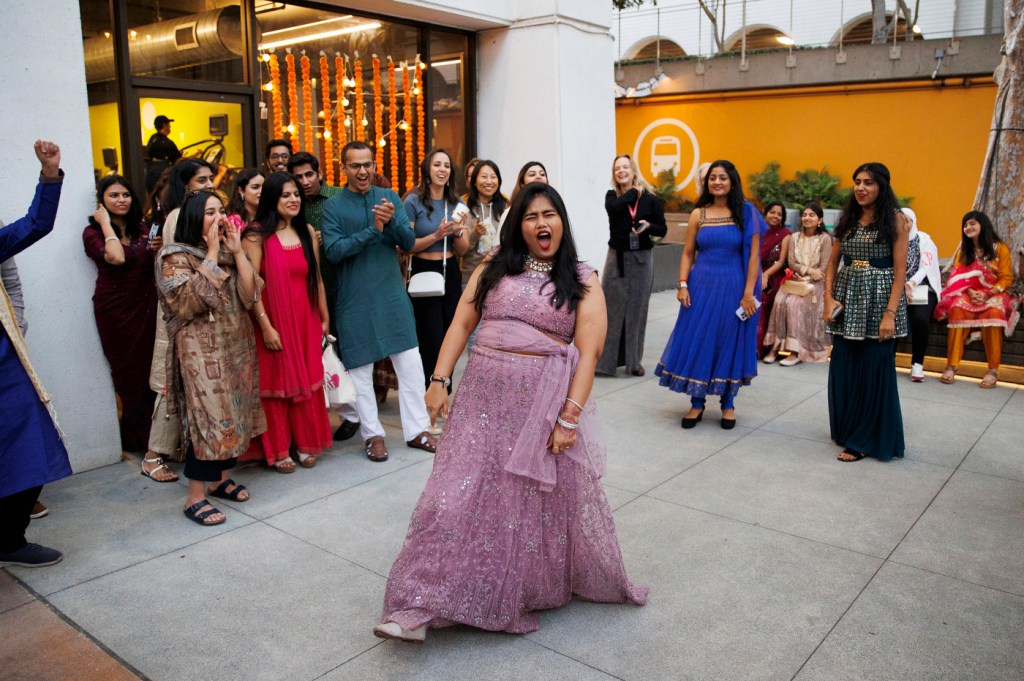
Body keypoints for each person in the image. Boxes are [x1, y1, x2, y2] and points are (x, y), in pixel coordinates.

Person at [375, 182, 648, 643]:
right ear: (517, 225)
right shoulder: (494, 266)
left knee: (518, 507)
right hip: (480, 401)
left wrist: (569, 418)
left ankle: (503, 589)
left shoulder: (582, 278)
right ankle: (417, 602)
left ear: (562, 221)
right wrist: (439, 381)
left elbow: (589, 350)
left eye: (550, 215)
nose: (542, 224)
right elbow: (463, 321)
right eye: (531, 216)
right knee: (450, 498)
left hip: (538, 408)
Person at [321, 141, 437, 462]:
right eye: (355, 165)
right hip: (355, 300)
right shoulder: (333, 207)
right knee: (360, 373)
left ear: (375, 165)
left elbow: (409, 242)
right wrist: (375, 229)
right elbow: (334, 251)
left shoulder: (389, 198)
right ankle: (373, 436)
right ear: (343, 168)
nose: (363, 171)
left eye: (368, 164)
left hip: (391, 296)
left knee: (412, 366)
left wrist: (393, 223)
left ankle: (417, 431)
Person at [156, 190, 264, 525]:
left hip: (235, 347)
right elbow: (189, 303)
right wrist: (213, 254)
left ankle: (219, 480)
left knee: (234, 413)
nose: (218, 218)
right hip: (200, 355)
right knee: (208, 421)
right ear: (192, 219)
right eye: (208, 212)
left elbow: (252, 294)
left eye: (220, 210)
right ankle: (195, 497)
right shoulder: (173, 257)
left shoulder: (231, 253)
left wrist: (237, 252)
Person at [0, 140, 71, 567]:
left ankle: (9, 538)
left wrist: (49, 174)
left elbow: (36, 224)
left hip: (6, 367)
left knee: (31, 448)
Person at [655, 160, 765, 430]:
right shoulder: (698, 215)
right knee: (700, 338)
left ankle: (728, 403)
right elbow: (688, 253)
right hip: (701, 286)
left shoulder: (746, 213)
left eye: (723, 178)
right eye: (713, 178)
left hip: (734, 287)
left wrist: (749, 293)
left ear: (733, 181)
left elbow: (753, 257)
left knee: (729, 339)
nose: (717, 182)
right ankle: (696, 402)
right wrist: (682, 284)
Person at [241, 173, 332, 472]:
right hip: (273, 320)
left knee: (306, 378)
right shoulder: (255, 235)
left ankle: (305, 443)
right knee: (277, 382)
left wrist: (323, 317)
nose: (293, 200)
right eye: (285, 195)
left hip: (306, 317)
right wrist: (265, 326)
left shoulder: (306, 230)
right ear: (271, 199)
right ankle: (279, 450)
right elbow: (251, 286)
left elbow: (316, 277)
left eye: (296, 194)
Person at [823, 162, 909, 462]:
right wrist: (827, 298)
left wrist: (890, 314)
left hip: (881, 300)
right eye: (857, 182)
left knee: (874, 368)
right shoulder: (848, 218)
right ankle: (847, 429)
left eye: (868, 182)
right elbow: (833, 262)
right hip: (848, 298)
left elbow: (900, 273)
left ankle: (864, 438)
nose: (861, 188)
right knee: (844, 364)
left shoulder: (896, 220)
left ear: (882, 186)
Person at [82, 176, 161, 463]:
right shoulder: (92, 233)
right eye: (113, 195)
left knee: (153, 371)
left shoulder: (142, 228)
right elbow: (115, 257)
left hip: (147, 306)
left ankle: (156, 439)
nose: (121, 200)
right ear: (101, 202)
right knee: (129, 373)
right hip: (115, 310)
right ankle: (138, 439)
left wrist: (156, 249)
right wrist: (104, 223)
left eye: (126, 194)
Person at [145, 159, 216, 468]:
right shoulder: (178, 216)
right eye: (202, 180)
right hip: (183, 310)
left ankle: (177, 450)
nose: (210, 184)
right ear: (185, 185)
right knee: (171, 383)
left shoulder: (196, 213)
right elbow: (178, 270)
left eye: (211, 178)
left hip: (198, 308)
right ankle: (153, 456)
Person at [287, 151, 361, 441]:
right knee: (317, 353)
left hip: (341, 283)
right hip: (306, 289)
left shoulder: (337, 198)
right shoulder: (290, 203)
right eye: (298, 177)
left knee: (343, 351)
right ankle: (322, 413)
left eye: (308, 174)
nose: (304, 182)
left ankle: (351, 414)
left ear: (319, 173)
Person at [403, 148, 470, 388]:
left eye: (446, 166)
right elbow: (407, 245)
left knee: (449, 334)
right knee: (428, 335)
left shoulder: (457, 203)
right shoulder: (413, 201)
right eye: (437, 165)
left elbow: (462, 249)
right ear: (427, 170)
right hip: (422, 269)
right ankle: (426, 391)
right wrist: (436, 235)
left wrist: (459, 231)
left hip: (449, 269)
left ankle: (444, 390)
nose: (442, 170)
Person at [597, 154, 666, 377]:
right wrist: (633, 192)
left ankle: (634, 363)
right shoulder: (612, 196)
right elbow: (616, 208)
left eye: (625, 167)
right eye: (617, 168)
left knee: (638, 310)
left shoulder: (650, 199)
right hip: (616, 258)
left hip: (642, 258)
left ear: (633, 170)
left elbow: (662, 229)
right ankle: (606, 363)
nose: (621, 171)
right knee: (610, 309)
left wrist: (648, 226)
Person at [934, 210, 1017, 388]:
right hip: (969, 291)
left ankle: (993, 369)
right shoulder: (965, 250)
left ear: (983, 225)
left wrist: (989, 293)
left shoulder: (999, 248)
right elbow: (958, 277)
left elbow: (1007, 278)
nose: (967, 227)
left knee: (994, 313)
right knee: (957, 309)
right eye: (965, 225)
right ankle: (952, 365)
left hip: (993, 292)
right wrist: (971, 292)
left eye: (972, 223)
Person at [763, 203, 833, 365]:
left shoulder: (825, 239)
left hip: (816, 284)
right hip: (795, 280)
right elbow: (792, 262)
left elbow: (823, 267)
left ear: (820, 220)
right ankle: (775, 347)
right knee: (780, 301)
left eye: (811, 215)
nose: (807, 218)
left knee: (794, 304)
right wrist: (804, 272)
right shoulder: (794, 237)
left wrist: (808, 277)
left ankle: (796, 351)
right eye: (804, 215)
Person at [902, 208, 941, 382]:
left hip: (923, 288)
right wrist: (901, 286)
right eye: (900, 220)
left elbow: (926, 267)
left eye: (907, 220)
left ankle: (917, 364)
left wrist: (911, 284)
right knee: (893, 316)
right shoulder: (892, 240)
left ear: (913, 221)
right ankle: (888, 361)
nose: (904, 224)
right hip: (899, 287)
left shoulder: (924, 240)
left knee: (919, 318)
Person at [459, 160, 507, 285]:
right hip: (470, 277)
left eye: (493, 177)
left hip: (500, 277)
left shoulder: (505, 208)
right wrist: (475, 234)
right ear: (474, 181)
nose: (489, 181)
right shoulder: (464, 208)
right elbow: (459, 251)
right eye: (484, 177)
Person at [757, 202, 790, 361]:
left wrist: (766, 275)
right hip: (753, 272)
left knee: (760, 299)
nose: (776, 216)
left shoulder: (784, 234)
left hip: (773, 276)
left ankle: (758, 347)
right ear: (765, 212)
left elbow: (782, 261)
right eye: (773, 212)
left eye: (779, 214)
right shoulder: (755, 231)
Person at [144, 115, 181, 193]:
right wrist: (194, 157)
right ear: (164, 125)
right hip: (161, 176)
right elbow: (178, 160)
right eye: (168, 124)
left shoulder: (153, 138)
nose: (170, 126)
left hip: (149, 174)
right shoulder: (168, 142)